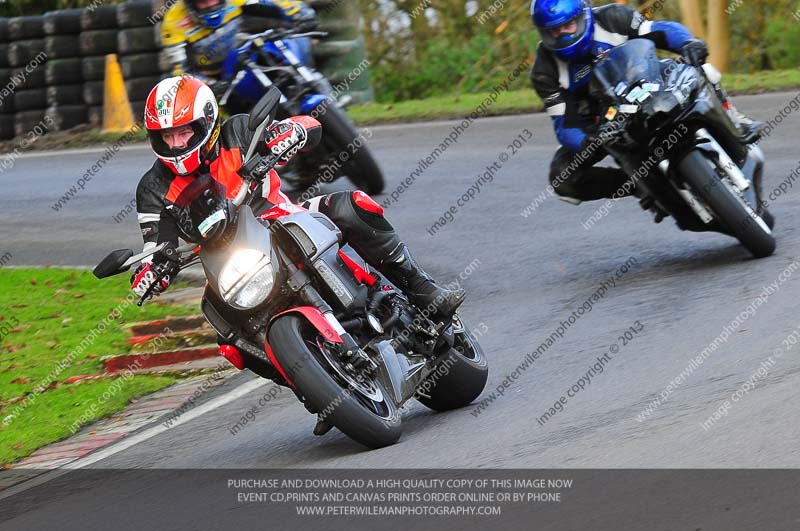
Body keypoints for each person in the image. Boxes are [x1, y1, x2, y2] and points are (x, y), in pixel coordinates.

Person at [131, 75, 465, 322]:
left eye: (184, 132)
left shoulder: (238, 131)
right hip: (228, 265)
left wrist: (292, 132)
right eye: (167, 136)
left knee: (351, 206)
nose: (175, 144)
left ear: (207, 122)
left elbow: (308, 124)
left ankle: (421, 288)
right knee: (221, 323)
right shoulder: (152, 189)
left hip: (282, 218)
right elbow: (156, 247)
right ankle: (305, 378)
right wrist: (149, 273)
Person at [530, 0, 761, 204]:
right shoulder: (544, 71)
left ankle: (734, 119)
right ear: (543, 33)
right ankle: (640, 185)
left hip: (647, 83)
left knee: (700, 66)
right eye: (554, 32)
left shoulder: (613, 17)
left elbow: (660, 30)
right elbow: (564, 124)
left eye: (567, 26)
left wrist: (687, 42)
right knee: (562, 177)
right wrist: (589, 141)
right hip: (603, 122)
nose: (563, 35)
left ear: (583, 16)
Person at [160, 0, 316, 80]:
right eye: (202, 1)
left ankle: (312, 80)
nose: (209, 5)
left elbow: (274, 1)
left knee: (291, 42)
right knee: (218, 125)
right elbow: (179, 71)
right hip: (211, 80)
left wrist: (301, 12)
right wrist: (208, 84)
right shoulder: (173, 21)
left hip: (243, 62)